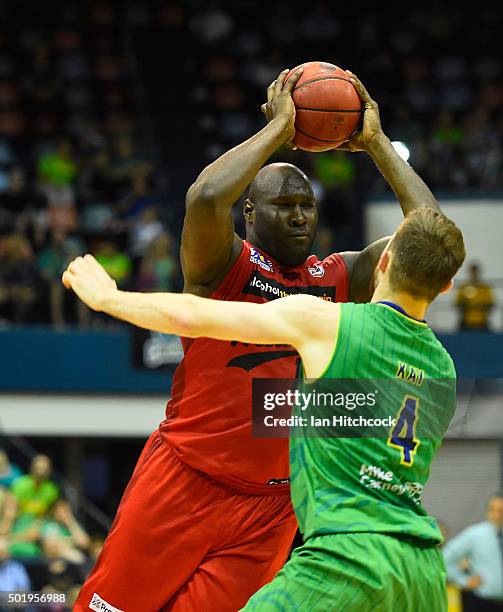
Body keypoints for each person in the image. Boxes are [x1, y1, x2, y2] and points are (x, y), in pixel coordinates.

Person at [71, 68, 442, 611]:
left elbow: (430, 234)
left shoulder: (338, 278)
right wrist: (280, 129)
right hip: (185, 480)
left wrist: (377, 143)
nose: (298, 216)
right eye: (283, 205)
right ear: (249, 211)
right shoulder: (225, 265)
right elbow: (205, 197)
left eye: (307, 206)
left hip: (273, 507)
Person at [443, 492, 503, 611]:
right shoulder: (475, 534)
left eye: (501, 510)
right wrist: (463, 581)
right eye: (492, 509)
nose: (497, 514)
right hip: (482, 603)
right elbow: (444, 559)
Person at [455, 261, 495, 331]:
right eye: (472, 271)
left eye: (475, 271)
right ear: (469, 272)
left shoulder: (485, 288)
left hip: (483, 322)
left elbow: (491, 304)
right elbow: (457, 304)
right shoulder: (464, 287)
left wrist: (479, 307)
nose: (474, 273)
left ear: (479, 272)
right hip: (466, 322)